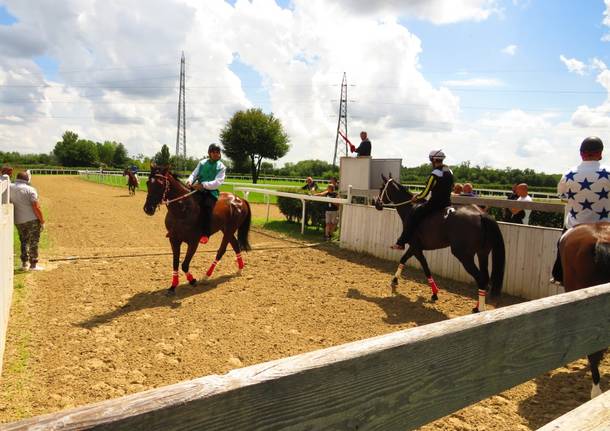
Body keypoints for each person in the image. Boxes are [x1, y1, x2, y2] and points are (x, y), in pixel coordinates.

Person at [551, 136, 610, 284]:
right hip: (607, 223)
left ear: (581, 153)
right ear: (600, 153)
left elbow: (563, 197)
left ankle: (558, 275)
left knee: (562, 243)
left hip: (576, 223)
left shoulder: (568, 174)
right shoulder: (608, 172)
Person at [391, 150, 454, 250]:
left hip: (435, 204)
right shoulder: (450, 171)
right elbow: (451, 187)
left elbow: (425, 192)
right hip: (448, 203)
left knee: (412, 216)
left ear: (433, 160)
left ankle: (401, 242)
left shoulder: (435, 174)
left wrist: (416, 198)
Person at [186, 143, 227, 245]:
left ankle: (205, 234)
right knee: (185, 202)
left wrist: (203, 185)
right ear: (209, 153)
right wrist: (189, 181)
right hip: (198, 187)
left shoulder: (221, 167)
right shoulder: (202, 163)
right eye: (215, 152)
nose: (217, 154)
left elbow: (217, 182)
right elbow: (194, 173)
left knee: (207, 207)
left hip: (211, 191)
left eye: (218, 152)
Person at [10, 171, 45, 271]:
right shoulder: (30, 189)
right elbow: (36, 206)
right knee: (33, 242)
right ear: (27, 179)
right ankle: (33, 265)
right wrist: (42, 221)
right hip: (32, 219)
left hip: (18, 220)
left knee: (23, 241)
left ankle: (24, 263)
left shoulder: (10, 187)